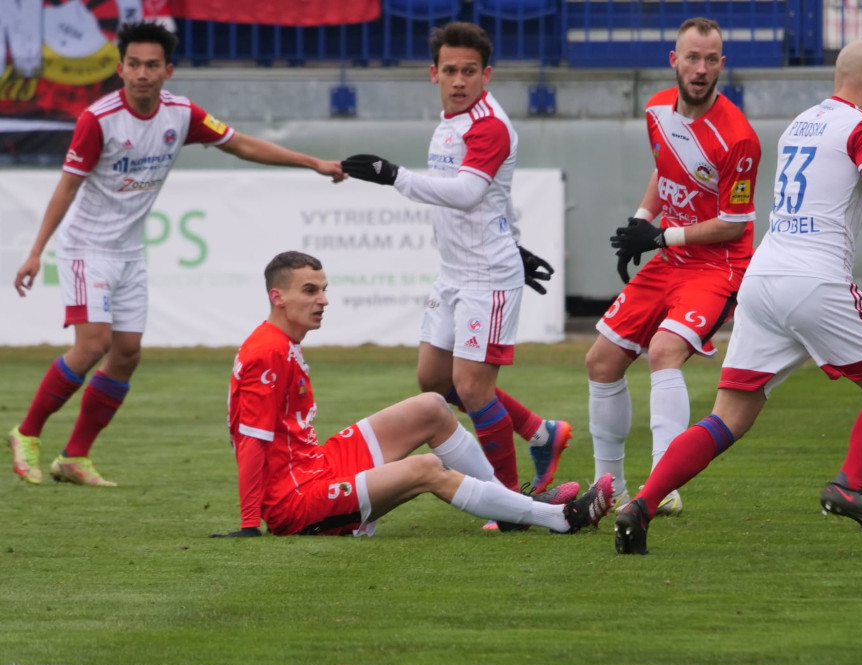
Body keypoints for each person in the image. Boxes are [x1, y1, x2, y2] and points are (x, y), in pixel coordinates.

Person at [613, 38, 862, 555]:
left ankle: (642, 503)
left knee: (728, 417)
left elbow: (836, 203)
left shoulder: (803, 123)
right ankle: (848, 485)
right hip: (815, 280)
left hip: (763, 280)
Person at [8, 22, 345, 487]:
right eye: (133, 64)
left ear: (168, 70)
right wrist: (35, 252)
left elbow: (241, 144)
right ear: (119, 68)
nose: (141, 73)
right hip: (87, 249)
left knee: (126, 354)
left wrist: (312, 162)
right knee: (94, 344)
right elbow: (67, 186)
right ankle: (26, 432)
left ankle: (75, 457)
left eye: (151, 64)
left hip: (129, 252)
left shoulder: (181, 115)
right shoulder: (98, 120)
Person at [213, 251, 614, 538]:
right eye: (310, 290)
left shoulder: (281, 342)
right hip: (296, 500)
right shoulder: (267, 352)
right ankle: (559, 518)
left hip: (317, 465)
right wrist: (250, 524)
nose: (323, 299)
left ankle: (507, 505)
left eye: (323, 289)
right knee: (425, 470)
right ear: (277, 297)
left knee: (432, 406)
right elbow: (251, 442)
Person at [338, 22, 570, 511]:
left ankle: (509, 502)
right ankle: (538, 431)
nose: (459, 80)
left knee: (470, 387)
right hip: (454, 272)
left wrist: (395, 176)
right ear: (433, 74)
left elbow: (468, 194)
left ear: (487, 74)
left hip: (487, 276)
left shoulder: (489, 124)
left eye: (469, 71)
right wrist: (516, 241)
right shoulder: (450, 120)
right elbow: (495, 198)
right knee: (432, 381)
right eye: (450, 71)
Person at [585, 17, 762, 518]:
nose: (701, 69)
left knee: (663, 351)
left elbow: (733, 224)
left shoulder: (739, 139)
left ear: (722, 65)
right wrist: (639, 224)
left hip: (718, 267)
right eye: (692, 58)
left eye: (711, 60)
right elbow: (664, 170)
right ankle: (610, 488)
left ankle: (660, 487)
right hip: (671, 257)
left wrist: (661, 235)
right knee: (601, 360)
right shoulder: (657, 109)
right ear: (674, 61)